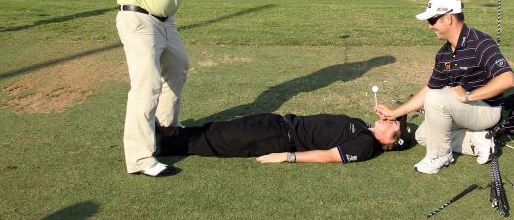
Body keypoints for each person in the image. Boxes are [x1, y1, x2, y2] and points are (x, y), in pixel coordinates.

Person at [114, 0, 208, 177]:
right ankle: (140, 159)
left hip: (167, 22)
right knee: (147, 85)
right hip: (137, 19)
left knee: (178, 69)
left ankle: (165, 131)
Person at [375, 0, 514, 174]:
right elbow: (430, 89)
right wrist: (394, 113)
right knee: (423, 135)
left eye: (433, 20)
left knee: (436, 99)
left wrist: (468, 96)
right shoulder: (444, 54)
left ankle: (439, 156)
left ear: (448, 18)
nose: (429, 26)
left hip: (487, 111)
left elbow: (508, 79)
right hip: (465, 111)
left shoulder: (481, 43)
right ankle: (477, 140)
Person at [154, 112, 414, 164]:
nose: (391, 121)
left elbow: (328, 156)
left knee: (214, 140)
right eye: (394, 120)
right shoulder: (361, 126)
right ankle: (167, 134)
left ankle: (158, 144)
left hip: (275, 139)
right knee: (216, 129)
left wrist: (287, 156)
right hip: (275, 122)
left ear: (390, 143)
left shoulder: (366, 145)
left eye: (394, 128)